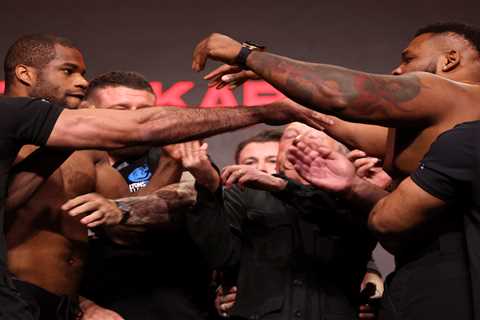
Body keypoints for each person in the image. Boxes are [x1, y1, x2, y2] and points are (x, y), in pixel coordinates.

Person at [0, 33, 329, 320]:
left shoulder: (80, 151)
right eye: (68, 71)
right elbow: (143, 127)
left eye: (83, 73)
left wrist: (172, 166)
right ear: (25, 73)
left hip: (61, 303)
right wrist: (265, 111)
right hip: (14, 295)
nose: (82, 81)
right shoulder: (9, 119)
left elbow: (125, 214)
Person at [191, 22, 480, 320]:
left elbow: (339, 95)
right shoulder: (445, 123)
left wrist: (245, 54)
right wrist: (277, 76)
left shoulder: (457, 94)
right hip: (436, 269)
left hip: (451, 283)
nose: (397, 70)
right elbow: (339, 125)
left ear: (450, 59)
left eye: (408, 59)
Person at [184, 122, 384, 320]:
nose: (301, 140)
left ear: (340, 154)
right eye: (291, 135)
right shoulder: (244, 193)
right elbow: (221, 256)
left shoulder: (352, 203)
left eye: (315, 136)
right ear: (279, 153)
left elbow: (357, 237)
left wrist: (282, 187)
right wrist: (209, 187)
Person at [69, 71, 212, 320]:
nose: (136, 118)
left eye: (145, 110)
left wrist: (170, 163)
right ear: (87, 110)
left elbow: (184, 200)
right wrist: (83, 306)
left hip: (177, 307)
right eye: (122, 109)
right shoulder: (65, 162)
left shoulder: (178, 152)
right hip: (97, 307)